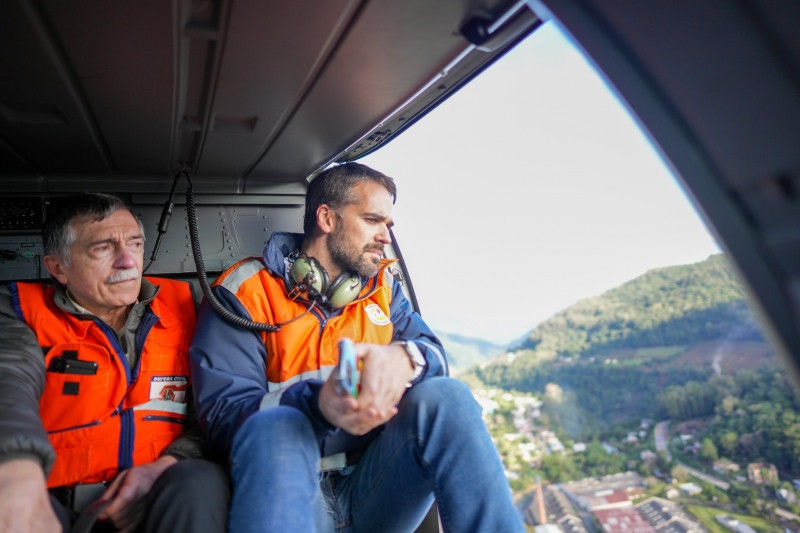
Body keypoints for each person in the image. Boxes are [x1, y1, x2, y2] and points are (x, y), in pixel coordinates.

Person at [190, 162, 523, 532]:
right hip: (293, 485)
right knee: (274, 430)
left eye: (388, 225)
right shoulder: (243, 291)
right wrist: (317, 405)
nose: (385, 236)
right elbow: (223, 420)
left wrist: (406, 357)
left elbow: (434, 355)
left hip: (374, 484)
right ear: (327, 219)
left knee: (449, 396)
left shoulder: (383, 289)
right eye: (372, 220)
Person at [0, 193, 229, 532]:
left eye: (134, 244)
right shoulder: (19, 311)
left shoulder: (190, 306)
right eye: (103, 248)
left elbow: (212, 411)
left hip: (160, 494)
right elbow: (10, 380)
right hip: (52, 505)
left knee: (201, 481)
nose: (128, 261)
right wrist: (15, 473)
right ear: (57, 268)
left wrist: (168, 464)